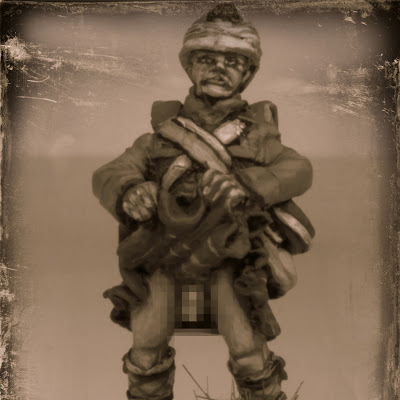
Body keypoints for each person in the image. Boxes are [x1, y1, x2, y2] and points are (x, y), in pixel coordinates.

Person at [92, 3, 314, 400]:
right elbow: (110, 172)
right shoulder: (161, 136)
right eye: (206, 60)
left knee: (248, 351)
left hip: (230, 252)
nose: (218, 69)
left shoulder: (257, 136)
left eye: (233, 62)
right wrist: (130, 190)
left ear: (247, 73)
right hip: (164, 251)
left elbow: (297, 168)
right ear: (190, 66)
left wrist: (246, 185)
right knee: (146, 350)